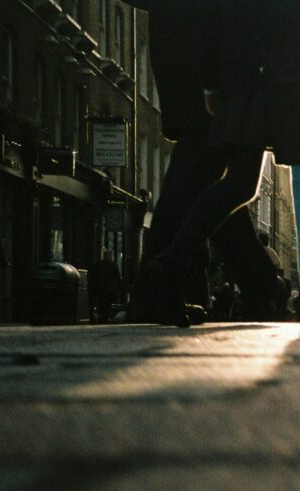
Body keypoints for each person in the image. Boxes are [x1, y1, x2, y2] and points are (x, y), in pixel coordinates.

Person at [148, 0, 300, 330]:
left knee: (239, 182)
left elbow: (216, 13)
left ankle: (169, 264)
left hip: (245, 74)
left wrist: (212, 80)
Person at [120, 0, 289, 326]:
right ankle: (154, 289)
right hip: (208, 70)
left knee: (213, 186)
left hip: (201, 64)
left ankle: (260, 286)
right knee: (194, 185)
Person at [89, 250, 123, 323]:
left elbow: (94, 277)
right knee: (107, 304)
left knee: (102, 304)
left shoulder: (99, 265)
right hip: (109, 289)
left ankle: (102, 317)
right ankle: (105, 317)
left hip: (101, 289)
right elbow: (117, 278)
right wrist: (119, 288)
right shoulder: (113, 265)